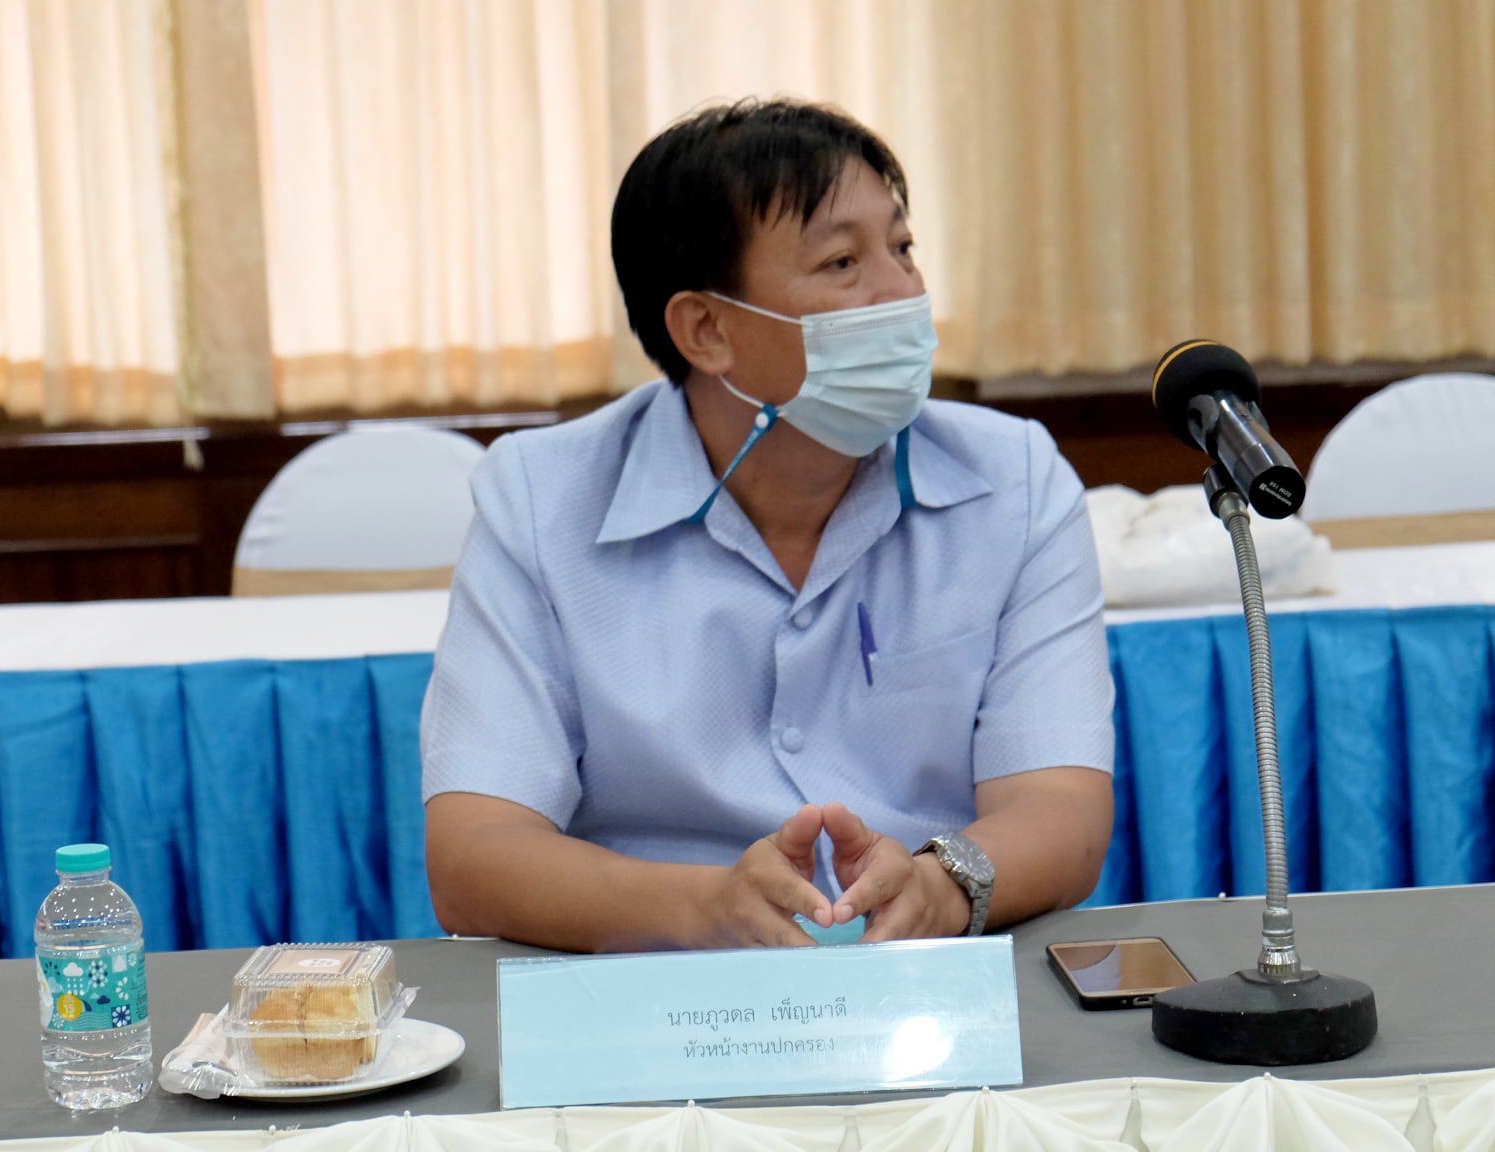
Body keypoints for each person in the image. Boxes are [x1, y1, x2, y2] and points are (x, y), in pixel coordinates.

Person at [420, 99, 1115, 952]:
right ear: (706, 329)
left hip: (931, 984)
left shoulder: (1014, 481)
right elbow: (475, 852)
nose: (904, 296)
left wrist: (938, 887)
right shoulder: (541, 500)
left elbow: (1062, 808)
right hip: (651, 993)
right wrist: (704, 908)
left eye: (903, 249)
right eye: (843, 262)